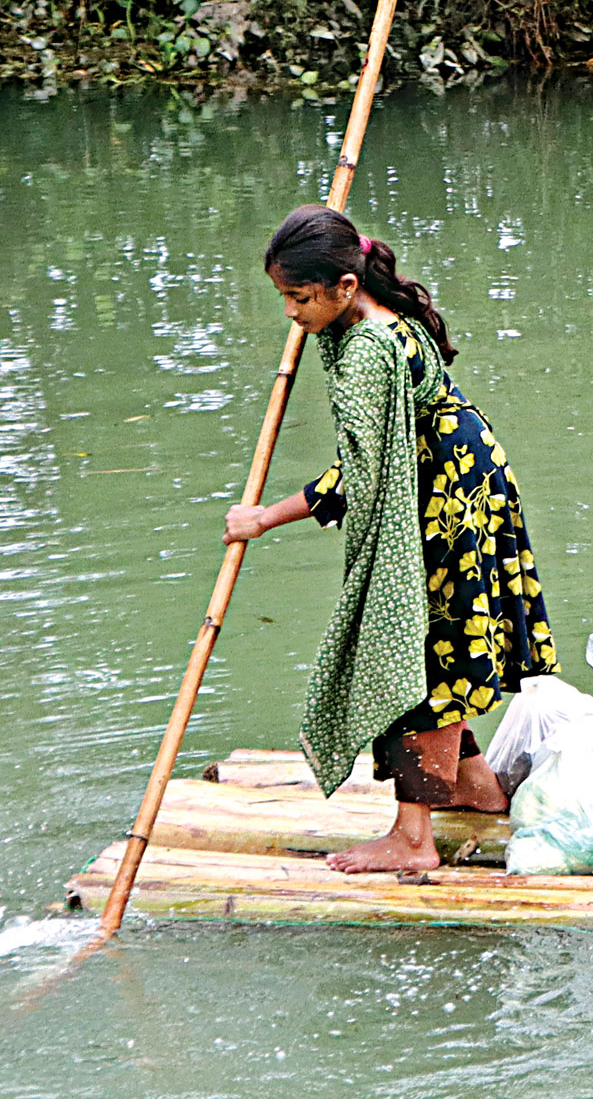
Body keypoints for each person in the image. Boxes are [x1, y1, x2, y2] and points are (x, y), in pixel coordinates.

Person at [223, 205, 560, 873]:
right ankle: (474, 786)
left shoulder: (373, 348)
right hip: (466, 478)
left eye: (299, 298)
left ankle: (412, 839)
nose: (291, 313)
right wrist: (318, 320)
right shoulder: (367, 318)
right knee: (439, 644)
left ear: (346, 288)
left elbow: (362, 472)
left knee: (417, 651)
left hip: (446, 500)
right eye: (284, 298)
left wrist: (264, 517)